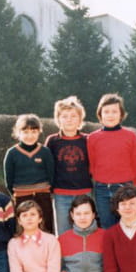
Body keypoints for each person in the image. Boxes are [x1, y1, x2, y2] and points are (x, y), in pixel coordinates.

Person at [87, 93, 136, 229]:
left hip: (125, 187)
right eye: (106, 112)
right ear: (100, 114)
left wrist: (130, 186)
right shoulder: (92, 138)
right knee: (106, 226)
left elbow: (135, 164)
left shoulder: (130, 136)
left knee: (127, 225)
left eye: (114, 111)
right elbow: (92, 164)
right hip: (102, 189)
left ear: (121, 114)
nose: (110, 115)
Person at [44, 95, 93, 235]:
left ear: (80, 119)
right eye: (64, 116)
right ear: (58, 119)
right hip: (61, 194)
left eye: (73, 116)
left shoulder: (87, 140)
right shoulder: (52, 141)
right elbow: (47, 167)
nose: (69, 119)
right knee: (64, 233)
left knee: (85, 231)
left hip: (84, 192)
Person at [3, 114, 55, 233]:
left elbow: (52, 176)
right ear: (18, 132)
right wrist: (19, 193)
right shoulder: (12, 153)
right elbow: (9, 181)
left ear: (39, 132)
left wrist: (45, 191)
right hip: (22, 197)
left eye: (34, 131)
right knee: (23, 230)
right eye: (25, 132)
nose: (30, 136)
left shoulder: (45, 152)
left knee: (46, 229)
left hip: (43, 197)